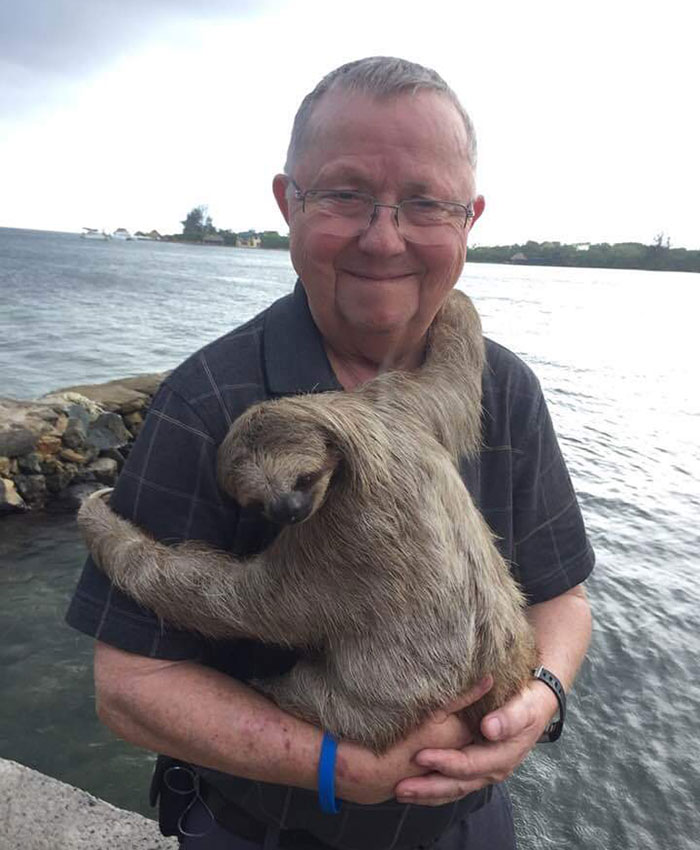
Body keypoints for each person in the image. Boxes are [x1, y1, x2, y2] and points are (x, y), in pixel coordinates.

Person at [66, 56, 594, 849]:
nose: (386, 239)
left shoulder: (494, 387)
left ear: (469, 220)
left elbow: (564, 597)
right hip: (270, 832)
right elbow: (128, 691)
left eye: (426, 204)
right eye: (346, 195)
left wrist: (541, 696)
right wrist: (337, 766)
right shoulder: (204, 398)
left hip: (470, 824)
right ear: (288, 202)